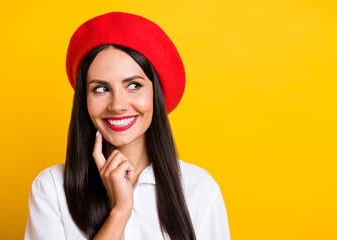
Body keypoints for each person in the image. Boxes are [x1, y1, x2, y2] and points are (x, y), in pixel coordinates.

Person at [24, 12, 230, 240]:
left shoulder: (199, 189)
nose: (118, 105)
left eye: (133, 85)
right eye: (101, 88)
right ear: (84, 100)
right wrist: (120, 212)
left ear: (155, 95)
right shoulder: (51, 189)